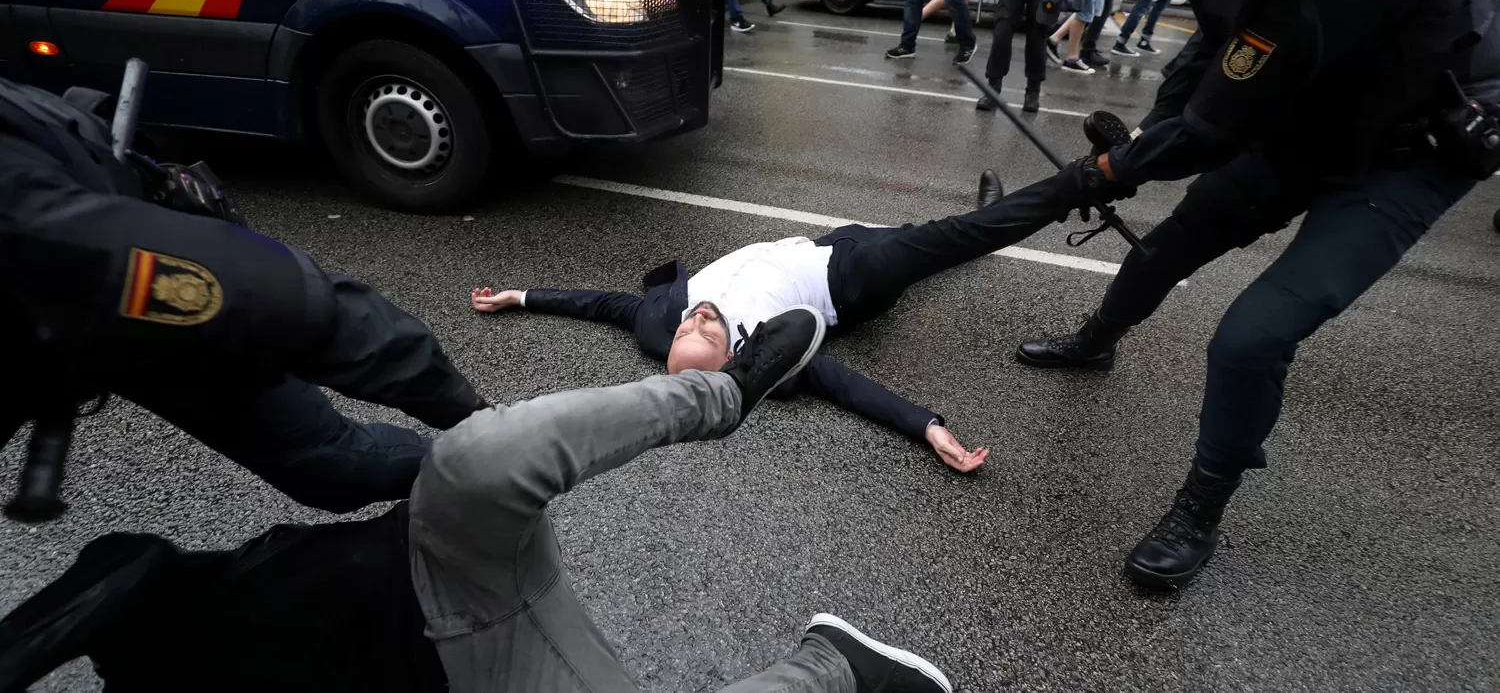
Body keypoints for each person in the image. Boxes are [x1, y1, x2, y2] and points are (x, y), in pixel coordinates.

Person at [0, 307, 958, 693]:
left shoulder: (139, 621)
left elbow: (125, 567)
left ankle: (724, 397)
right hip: (470, 667)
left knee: (480, 454)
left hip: (436, 563)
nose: (700, 316)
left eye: (709, 321)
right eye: (697, 320)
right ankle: (835, 668)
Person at [1013, 0, 1500, 590]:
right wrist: (1144, 138)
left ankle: (1201, 508)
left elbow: (1214, 127)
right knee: (1171, 244)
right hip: (1310, 123)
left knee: (1252, 336)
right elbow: (1212, 49)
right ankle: (1095, 341)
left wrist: (1110, 172)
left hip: (1409, 156)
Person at [470, 118, 1131, 474]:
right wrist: (929, 427)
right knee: (950, 241)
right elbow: (844, 384)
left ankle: (993, 216)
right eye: (704, 333)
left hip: (817, 242)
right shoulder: (772, 349)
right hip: (854, 278)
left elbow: (600, 305)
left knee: (944, 240)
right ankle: (1086, 179)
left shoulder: (658, 323)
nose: (695, 320)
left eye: (685, 330)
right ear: (735, 354)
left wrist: (520, 296)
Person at [0, 78, 486, 516]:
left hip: (86, 253)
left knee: (332, 463)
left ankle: (478, 476)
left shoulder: (36, 222)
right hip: (55, 305)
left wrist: (482, 426)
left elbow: (284, 301)